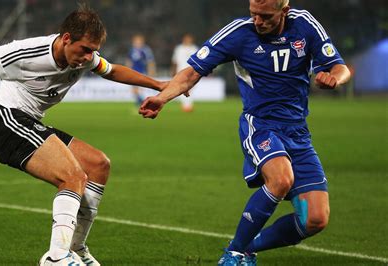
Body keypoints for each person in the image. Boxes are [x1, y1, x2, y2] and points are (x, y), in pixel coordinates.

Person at [0, 5, 167, 266]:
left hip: (30, 122)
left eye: (94, 51)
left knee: (98, 165)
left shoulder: (87, 56)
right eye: (85, 49)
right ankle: (56, 257)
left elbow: (113, 70)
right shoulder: (26, 52)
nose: (89, 57)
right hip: (5, 121)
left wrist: (158, 85)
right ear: (66, 39)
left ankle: (75, 249)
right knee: (72, 176)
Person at [139, 0, 351, 265]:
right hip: (260, 125)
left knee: (315, 219)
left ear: (284, 11)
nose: (258, 21)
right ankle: (233, 254)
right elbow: (192, 71)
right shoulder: (239, 32)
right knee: (281, 179)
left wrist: (335, 78)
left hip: (298, 133)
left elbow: (340, 67)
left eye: (265, 16)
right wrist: (163, 97)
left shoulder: (304, 24)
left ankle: (247, 249)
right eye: (254, 14)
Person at [171, 33, 199, 112]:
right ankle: (185, 105)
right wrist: (173, 71)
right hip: (180, 71)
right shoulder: (179, 48)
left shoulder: (194, 48)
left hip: (192, 71)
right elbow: (175, 61)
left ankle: (188, 105)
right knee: (182, 88)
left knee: (190, 88)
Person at [126, 34, 156, 106]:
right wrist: (127, 70)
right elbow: (129, 61)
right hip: (133, 71)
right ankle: (141, 103)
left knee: (139, 89)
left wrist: (151, 71)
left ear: (142, 42)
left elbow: (150, 61)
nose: (137, 43)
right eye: (136, 41)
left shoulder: (145, 50)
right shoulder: (132, 50)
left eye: (139, 41)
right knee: (134, 89)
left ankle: (143, 103)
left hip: (142, 71)